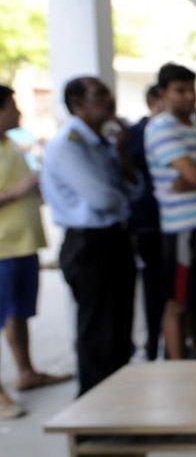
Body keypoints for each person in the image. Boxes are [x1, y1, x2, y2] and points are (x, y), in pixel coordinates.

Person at [41, 77, 141, 395]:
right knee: (99, 333)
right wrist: (121, 196)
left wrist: (123, 155)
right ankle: (95, 411)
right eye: (99, 95)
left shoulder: (103, 143)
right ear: (77, 104)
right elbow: (102, 198)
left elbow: (134, 187)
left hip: (113, 239)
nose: (108, 101)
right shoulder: (67, 145)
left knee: (119, 330)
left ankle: (116, 404)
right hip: (89, 244)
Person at [0, 86, 72, 418]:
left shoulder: (10, 144)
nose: (19, 112)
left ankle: (26, 373)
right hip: (2, 248)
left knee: (19, 313)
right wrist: (20, 190)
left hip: (23, 243)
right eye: (12, 106)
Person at [145, 63, 196, 360]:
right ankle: (177, 364)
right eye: (180, 90)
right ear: (163, 94)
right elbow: (195, 176)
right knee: (177, 301)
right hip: (183, 228)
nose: (189, 96)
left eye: (192, 89)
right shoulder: (161, 128)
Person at [127, 84, 165, 360]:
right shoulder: (135, 135)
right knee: (151, 290)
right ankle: (150, 345)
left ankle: (178, 343)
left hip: (172, 221)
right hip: (148, 222)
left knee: (176, 291)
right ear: (153, 100)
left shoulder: (178, 129)